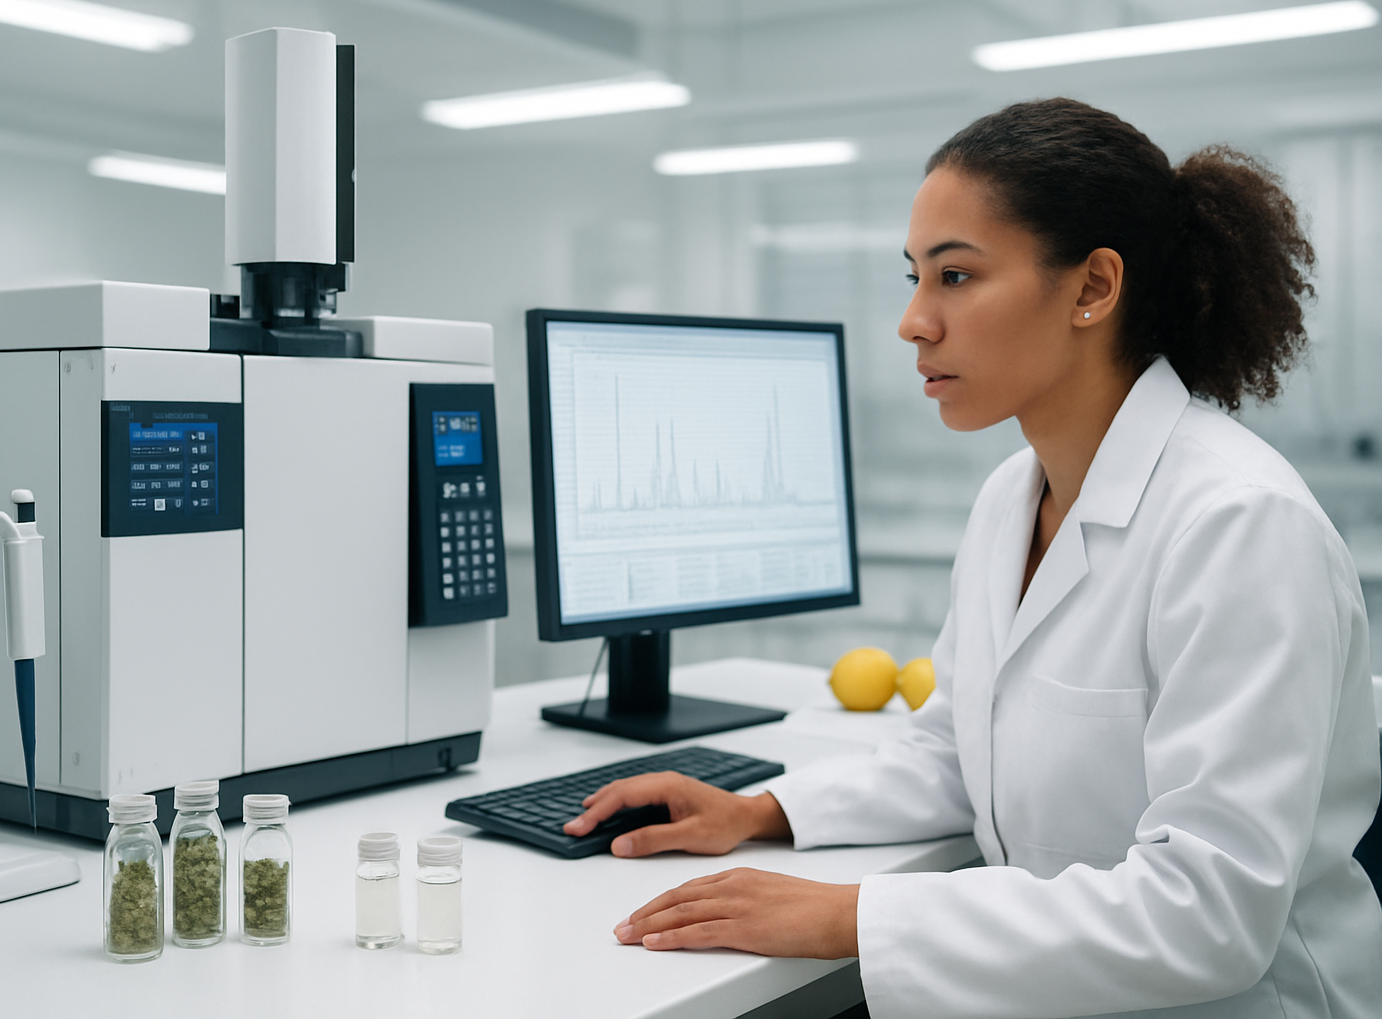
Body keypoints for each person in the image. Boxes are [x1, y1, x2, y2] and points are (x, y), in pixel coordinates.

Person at [562, 98, 1382, 1018]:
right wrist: (761, 813)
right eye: (914, 278)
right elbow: (958, 751)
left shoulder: (1238, 525)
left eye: (954, 276)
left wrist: (855, 918)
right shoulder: (1010, 497)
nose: (914, 322)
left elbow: (1208, 917)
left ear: (1092, 288)